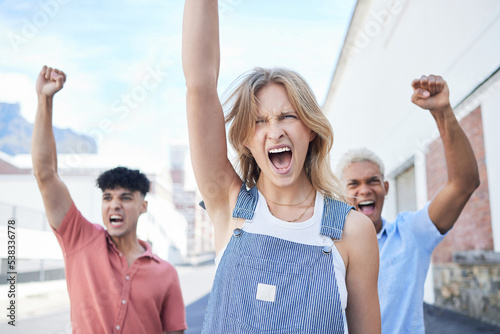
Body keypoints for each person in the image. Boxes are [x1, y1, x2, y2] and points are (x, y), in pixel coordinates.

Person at [182, 1, 381, 333]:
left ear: (310, 130)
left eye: (288, 116)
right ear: (245, 139)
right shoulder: (228, 205)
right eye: (260, 121)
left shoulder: (354, 232)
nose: (274, 130)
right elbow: (199, 85)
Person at [31, 65, 187, 334]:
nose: (114, 204)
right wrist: (45, 100)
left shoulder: (166, 274)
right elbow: (45, 174)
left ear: (143, 206)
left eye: (125, 198)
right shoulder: (79, 239)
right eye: (107, 198)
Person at [337, 75, 480, 334]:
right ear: (340, 194)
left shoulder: (411, 233)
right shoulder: (328, 246)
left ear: (386, 188)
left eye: (373, 181)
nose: (365, 189)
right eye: (353, 184)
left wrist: (442, 112)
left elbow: (463, 183)